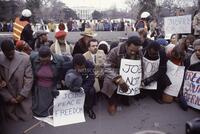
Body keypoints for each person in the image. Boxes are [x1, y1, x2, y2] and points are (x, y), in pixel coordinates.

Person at [102, 35, 142, 114]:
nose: (133, 52)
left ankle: (125, 96)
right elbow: (106, 67)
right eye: (131, 50)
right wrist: (118, 79)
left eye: (136, 51)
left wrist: (140, 78)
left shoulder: (139, 52)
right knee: (108, 82)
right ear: (127, 45)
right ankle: (112, 103)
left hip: (129, 75)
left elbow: (141, 66)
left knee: (127, 96)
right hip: (114, 73)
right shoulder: (114, 51)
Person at [0, 39, 33, 121]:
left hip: (23, 98)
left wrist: (22, 95)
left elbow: (29, 79)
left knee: (26, 122)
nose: (10, 56)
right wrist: (8, 97)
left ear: (14, 48)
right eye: (8, 54)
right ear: (3, 52)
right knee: (9, 123)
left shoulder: (25, 58)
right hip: (8, 99)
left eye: (12, 53)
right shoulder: (0, 59)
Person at [30, 46, 64, 117]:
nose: (44, 63)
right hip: (38, 88)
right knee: (37, 110)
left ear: (50, 56)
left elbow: (61, 76)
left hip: (52, 87)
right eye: (41, 61)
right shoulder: (33, 57)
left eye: (46, 61)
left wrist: (57, 87)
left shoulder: (59, 60)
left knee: (51, 111)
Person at [66, 54, 96, 119]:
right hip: (72, 83)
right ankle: (70, 109)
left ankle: (89, 108)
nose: (80, 69)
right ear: (74, 65)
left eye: (82, 67)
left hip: (84, 83)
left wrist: (83, 89)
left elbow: (91, 79)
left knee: (91, 91)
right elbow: (61, 76)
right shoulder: (67, 65)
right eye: (78, 67)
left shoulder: (89, 65)